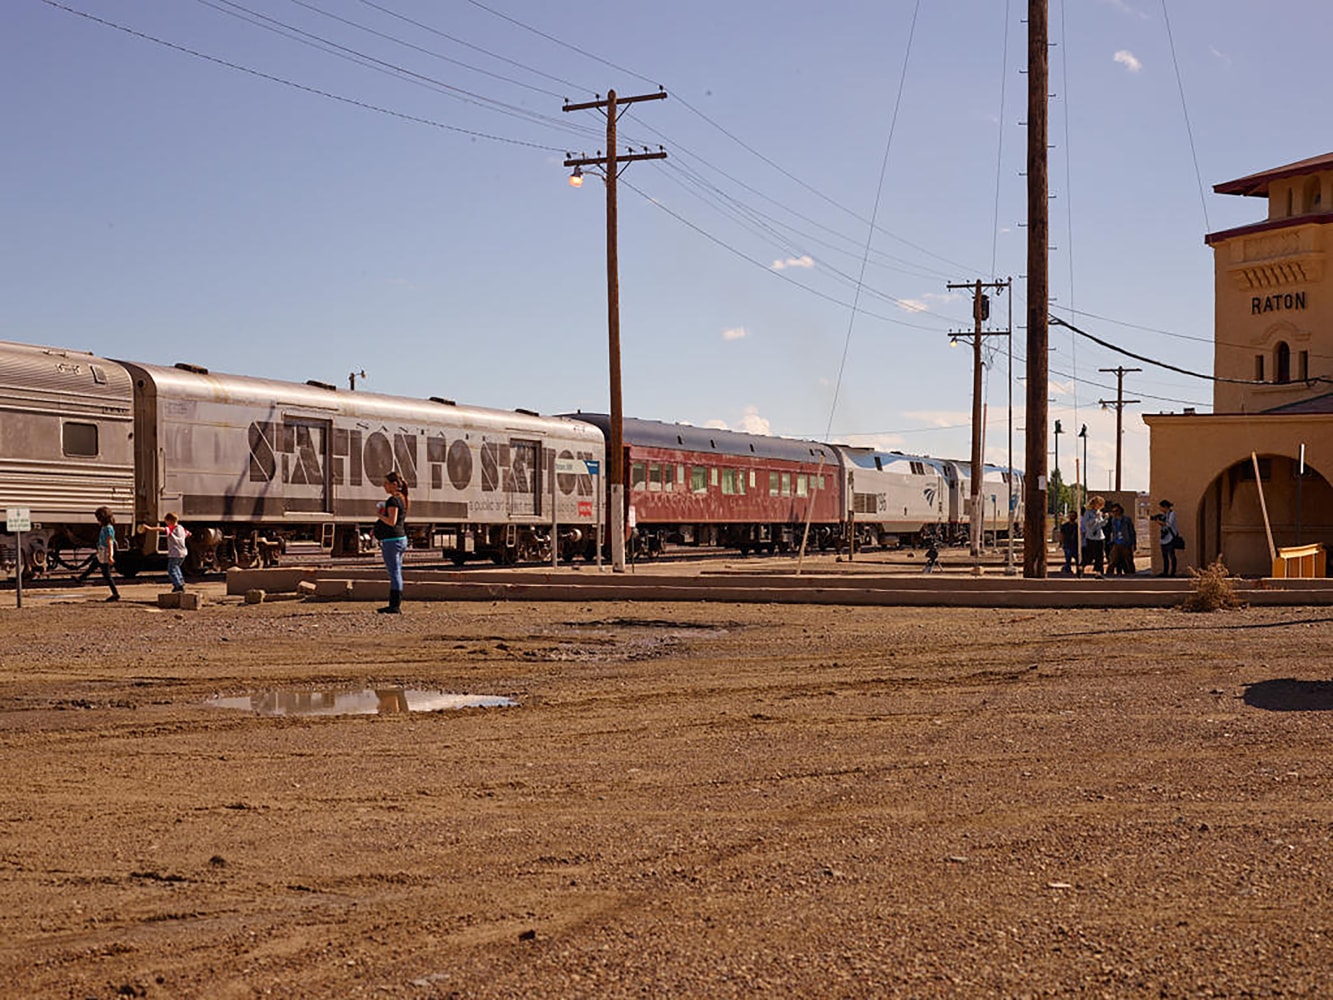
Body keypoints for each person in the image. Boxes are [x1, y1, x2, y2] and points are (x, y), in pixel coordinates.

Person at [374, 470, 409, 614]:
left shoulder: (393, 500)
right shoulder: (402, 498)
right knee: (397, 571)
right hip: (400, 539)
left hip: (392, 541)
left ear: (394, 485)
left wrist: (379, 515)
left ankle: (394, 606)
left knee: (394, 572)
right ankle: (395, 604)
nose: (384, 486)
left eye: (386, 483)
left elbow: (391, 521)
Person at [145, 512, 190, 592]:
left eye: (166, 521)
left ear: (170, 521)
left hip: (175, 553)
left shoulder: (172, 528)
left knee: (171, 569)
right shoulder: (182, 528)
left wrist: (150, 529)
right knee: (176, 567)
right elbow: (189, 533)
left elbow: (162, 529)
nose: (166, 523)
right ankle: (181, 581)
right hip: (183, 552)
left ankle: (178, 585)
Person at [93, 506, 120, 602]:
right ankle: (81, 578)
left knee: (107, 574)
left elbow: (110, 542)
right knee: (95, 563)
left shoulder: (108, 528)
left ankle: (115, 593)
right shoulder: (105, 527)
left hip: (105, 551)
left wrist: (110, 555)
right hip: (102, 550)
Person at [1106, 503, 1137, 576]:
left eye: (1116, 511)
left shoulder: (1127, 520)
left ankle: (1132, 575)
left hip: (1126, 543)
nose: (1115, 513)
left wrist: (1133, 543)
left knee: (1128, 560)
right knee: (1112, 560)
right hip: (1116, 543)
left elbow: (1132, 532)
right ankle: (1109, 574)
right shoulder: (1113, 520)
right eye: (1113, 511)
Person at [1079, 496, 1107, 576]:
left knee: (1100, 555)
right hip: (1091, 536)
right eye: (1099, 504)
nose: (1100, 506)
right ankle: (1081, 566)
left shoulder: (1098, 512)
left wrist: (1105, 519)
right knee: (1089, 555)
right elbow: (1088, 524)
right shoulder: (1088, 512)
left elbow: (1100, 524)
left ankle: (1099, 572)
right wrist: (1095, 517)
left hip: (1100, 536)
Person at [1153, 499, 1180, 577]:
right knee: (1164, 556)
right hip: (1164, 538)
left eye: (1161, 507)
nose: (1160, 509)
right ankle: (1165, 572)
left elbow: (1169, 524)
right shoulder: (1165, 515)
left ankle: (1173, 572)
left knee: (1171, 555)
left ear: (1165, 507)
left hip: (1171, 538)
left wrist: (1159, 522)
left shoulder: (1172, 514)